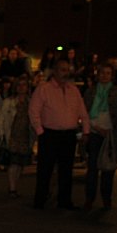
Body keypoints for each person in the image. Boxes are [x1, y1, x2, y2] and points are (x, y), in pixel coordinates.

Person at [29, 58, 90, 210]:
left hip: (68, 135)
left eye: (67, 70)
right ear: (55, 71)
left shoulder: (73, 90)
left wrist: (86, 131)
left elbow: (82, 111)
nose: (65, 73)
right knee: (45, 169)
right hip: (49, 134)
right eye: (62, 70)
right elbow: (33, 111)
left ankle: (64, 201)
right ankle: (40, 200)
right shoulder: (44, 89)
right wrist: (40, 131)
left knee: (66, 170)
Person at [83, 63, 117, 211]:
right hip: (94, 133)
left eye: (108, 73)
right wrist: (92, 128)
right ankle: (89, 198)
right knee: (92, 168)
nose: (105, 76)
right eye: (102, 73)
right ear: (98, 75)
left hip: (112, 135)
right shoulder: (90, 92)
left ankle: (106, 197)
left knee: (109, 168)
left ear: (112, 76)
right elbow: (84, 113)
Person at [0, 77, 34, 198]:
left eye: (24, 85)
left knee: (20, 163)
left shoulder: (31, 102)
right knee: (13, 162)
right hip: (12, 134)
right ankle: (12, 188)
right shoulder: (9, 102)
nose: (22, 87)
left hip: (25, 135)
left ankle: (14, 185)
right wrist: (1, 133)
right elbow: (0, 118)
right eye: (19, 85)